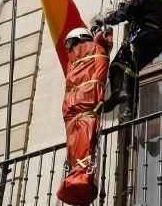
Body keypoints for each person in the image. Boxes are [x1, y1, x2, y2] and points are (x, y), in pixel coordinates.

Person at [96, 0, 162, 123]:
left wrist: (107, 20)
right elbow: (148, 14)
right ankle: (129, 108)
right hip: (158, 43)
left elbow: (125, 12)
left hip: (143, 36)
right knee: (132, 70)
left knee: (118, 65)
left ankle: (119, 95)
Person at [56, 27, 112, 206]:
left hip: (72, 105)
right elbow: (101, 69)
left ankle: (78, 172)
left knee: (76, 140)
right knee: (83, 138)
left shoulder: (74, 60)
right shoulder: (96, 50)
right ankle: (80, 172)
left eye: (70, 43)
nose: (69, 48)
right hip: (85, 100)